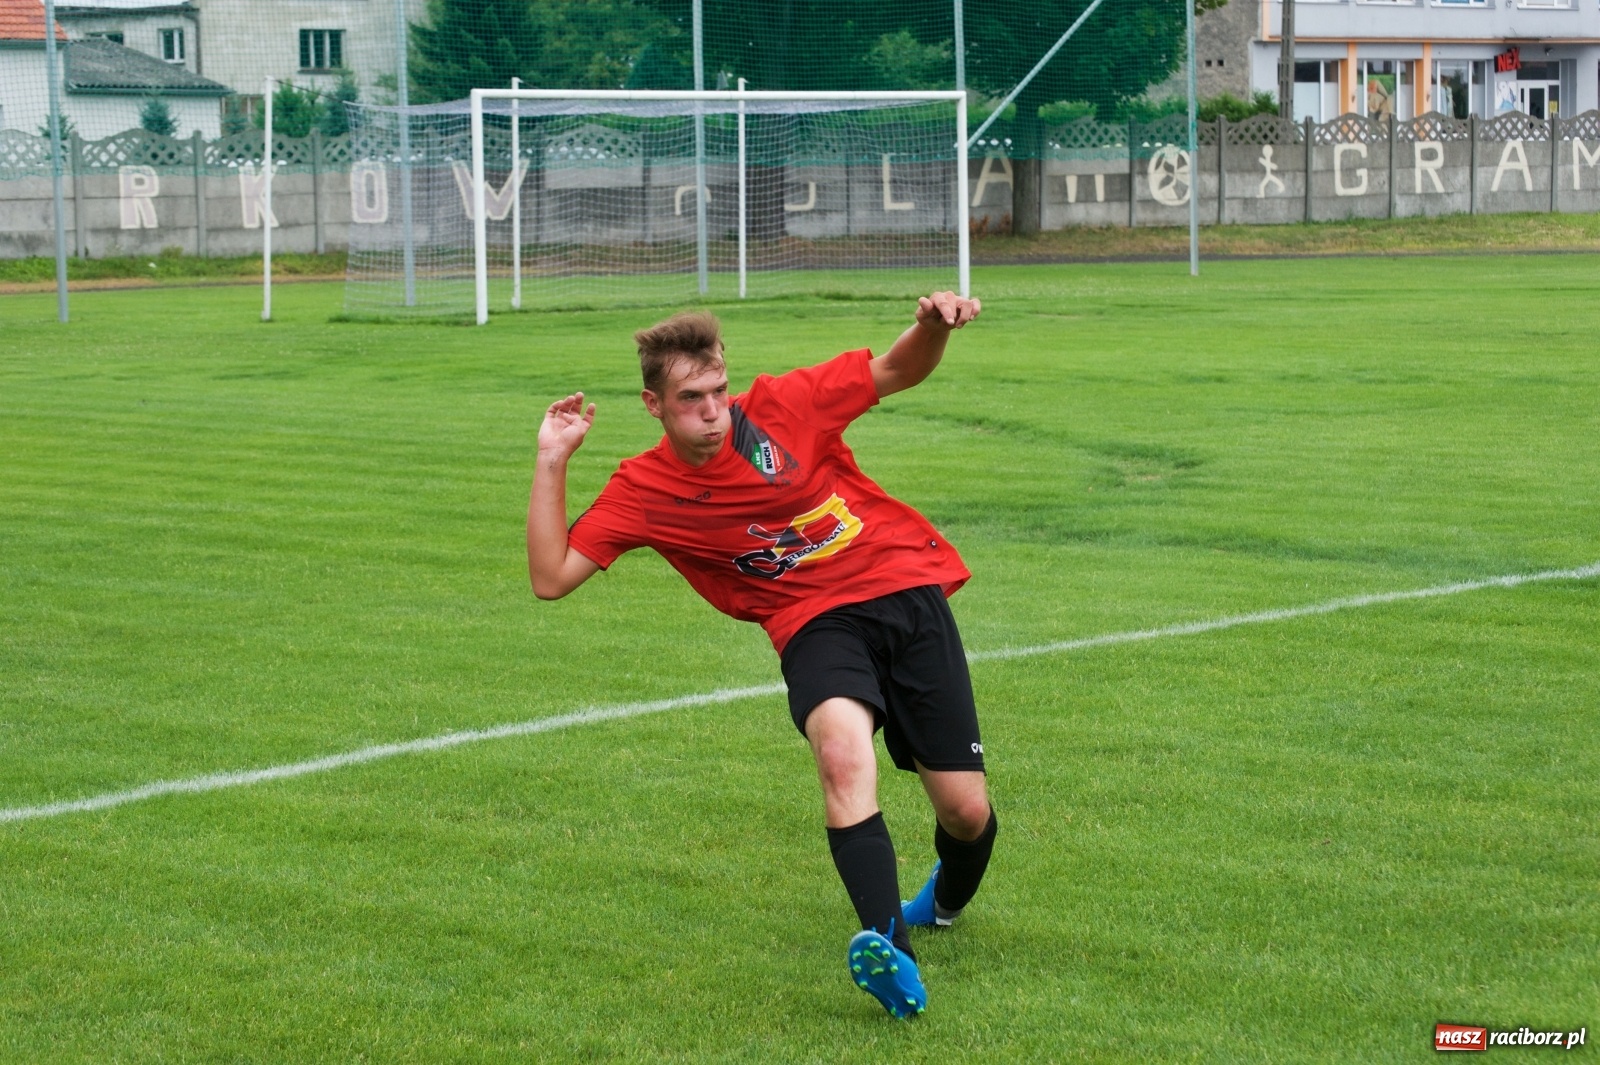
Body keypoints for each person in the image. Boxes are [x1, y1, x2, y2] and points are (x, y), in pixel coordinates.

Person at [527, 292, 995, 1019]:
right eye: (691, 399)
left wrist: (932, 326)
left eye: (718, 391)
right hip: (812, 623)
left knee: (966, 812)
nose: (712, 410)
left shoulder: (785, 406)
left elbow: (899, 369)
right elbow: (550, 577)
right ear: (653, 404)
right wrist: (553, 460)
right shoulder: (643, 489)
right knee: (842, 754)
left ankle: (943, 903)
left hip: (902, 586)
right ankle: (889, 945)